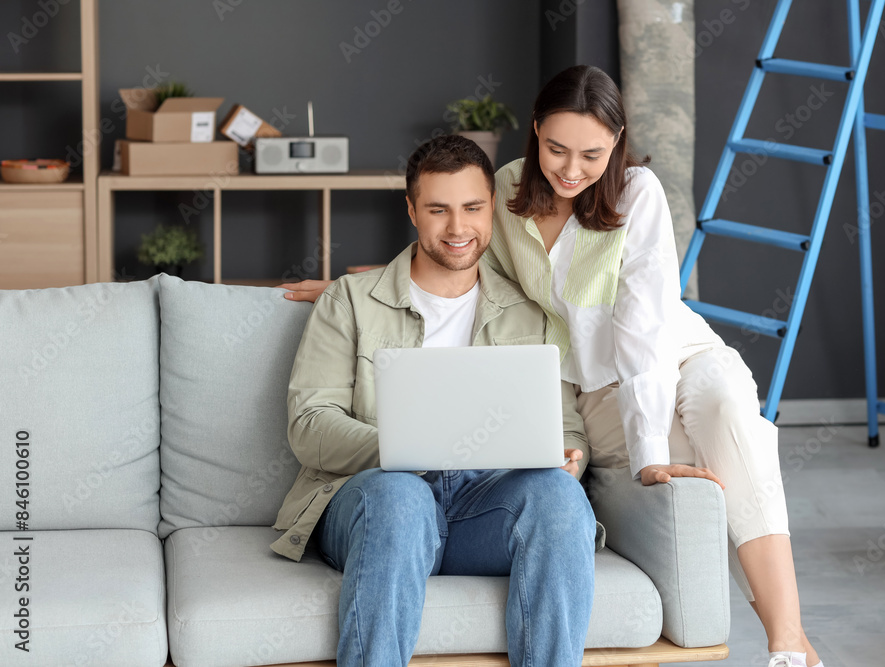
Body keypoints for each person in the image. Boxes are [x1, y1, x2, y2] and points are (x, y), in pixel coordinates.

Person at [279, 66, 823, 667]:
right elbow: (312, 423)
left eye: (590, 153)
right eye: (557, 148)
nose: (570, 168)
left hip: (656, 362)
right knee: (403, 500)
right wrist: (406, 438)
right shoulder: (483, 210)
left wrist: (588, 456)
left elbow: (626, 349)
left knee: (698, 432)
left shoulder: (619, 211)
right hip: (411, 482)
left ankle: (788, 636)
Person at [270, 134, 597, 667]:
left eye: (472, 208)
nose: (458, 228)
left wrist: (567, 459)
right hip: (375, 500)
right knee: (402, 497)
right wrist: (403, 449)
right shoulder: (350, 301)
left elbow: (568, 431)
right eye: (438, 210)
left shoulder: (529, 314)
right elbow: (310, 425)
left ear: (492, 207)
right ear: (412, 212)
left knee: (560, 500)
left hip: (481, 509)